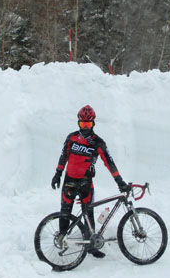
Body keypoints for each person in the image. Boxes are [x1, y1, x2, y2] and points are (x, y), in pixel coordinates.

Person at [51, 104, 129, 258]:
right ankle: (62, 239)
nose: (85, 127)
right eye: (82, 124)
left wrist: (119, 181)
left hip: (86, 183)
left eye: (88, 124)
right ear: (78, 123)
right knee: (65, 212)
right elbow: (63, 156)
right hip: (69, 181)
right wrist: (57, 174)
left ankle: (90, 246)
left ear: (93, 123)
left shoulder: (98, 142)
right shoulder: (71, 138)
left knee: (89, 214)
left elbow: (109, 162)